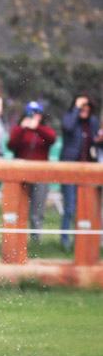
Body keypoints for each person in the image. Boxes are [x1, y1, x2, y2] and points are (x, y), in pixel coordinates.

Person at [59, 95, 103, 249]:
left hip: (87, 169)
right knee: (69, 207)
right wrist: (76, 109)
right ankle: (65, 241)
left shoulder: (92, 122)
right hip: (70, 167)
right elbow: (68, 127)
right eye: (81, 105)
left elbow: (96, 138)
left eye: (87, 106)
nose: (84, 108)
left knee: (85, 207)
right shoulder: (70, 118)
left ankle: (83, 243)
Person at [7, 101, 56, 241]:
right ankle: (14, 237)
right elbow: (11, 145)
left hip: (40, 174)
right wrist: (22, 128)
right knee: (18, 206)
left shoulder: (44, 129)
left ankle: (35, 238)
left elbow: (52, 138)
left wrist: (37, 128)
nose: (33, 116)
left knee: (37, 207)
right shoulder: (19, 129)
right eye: (30, 113)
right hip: (20, 172)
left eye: (36, 113)